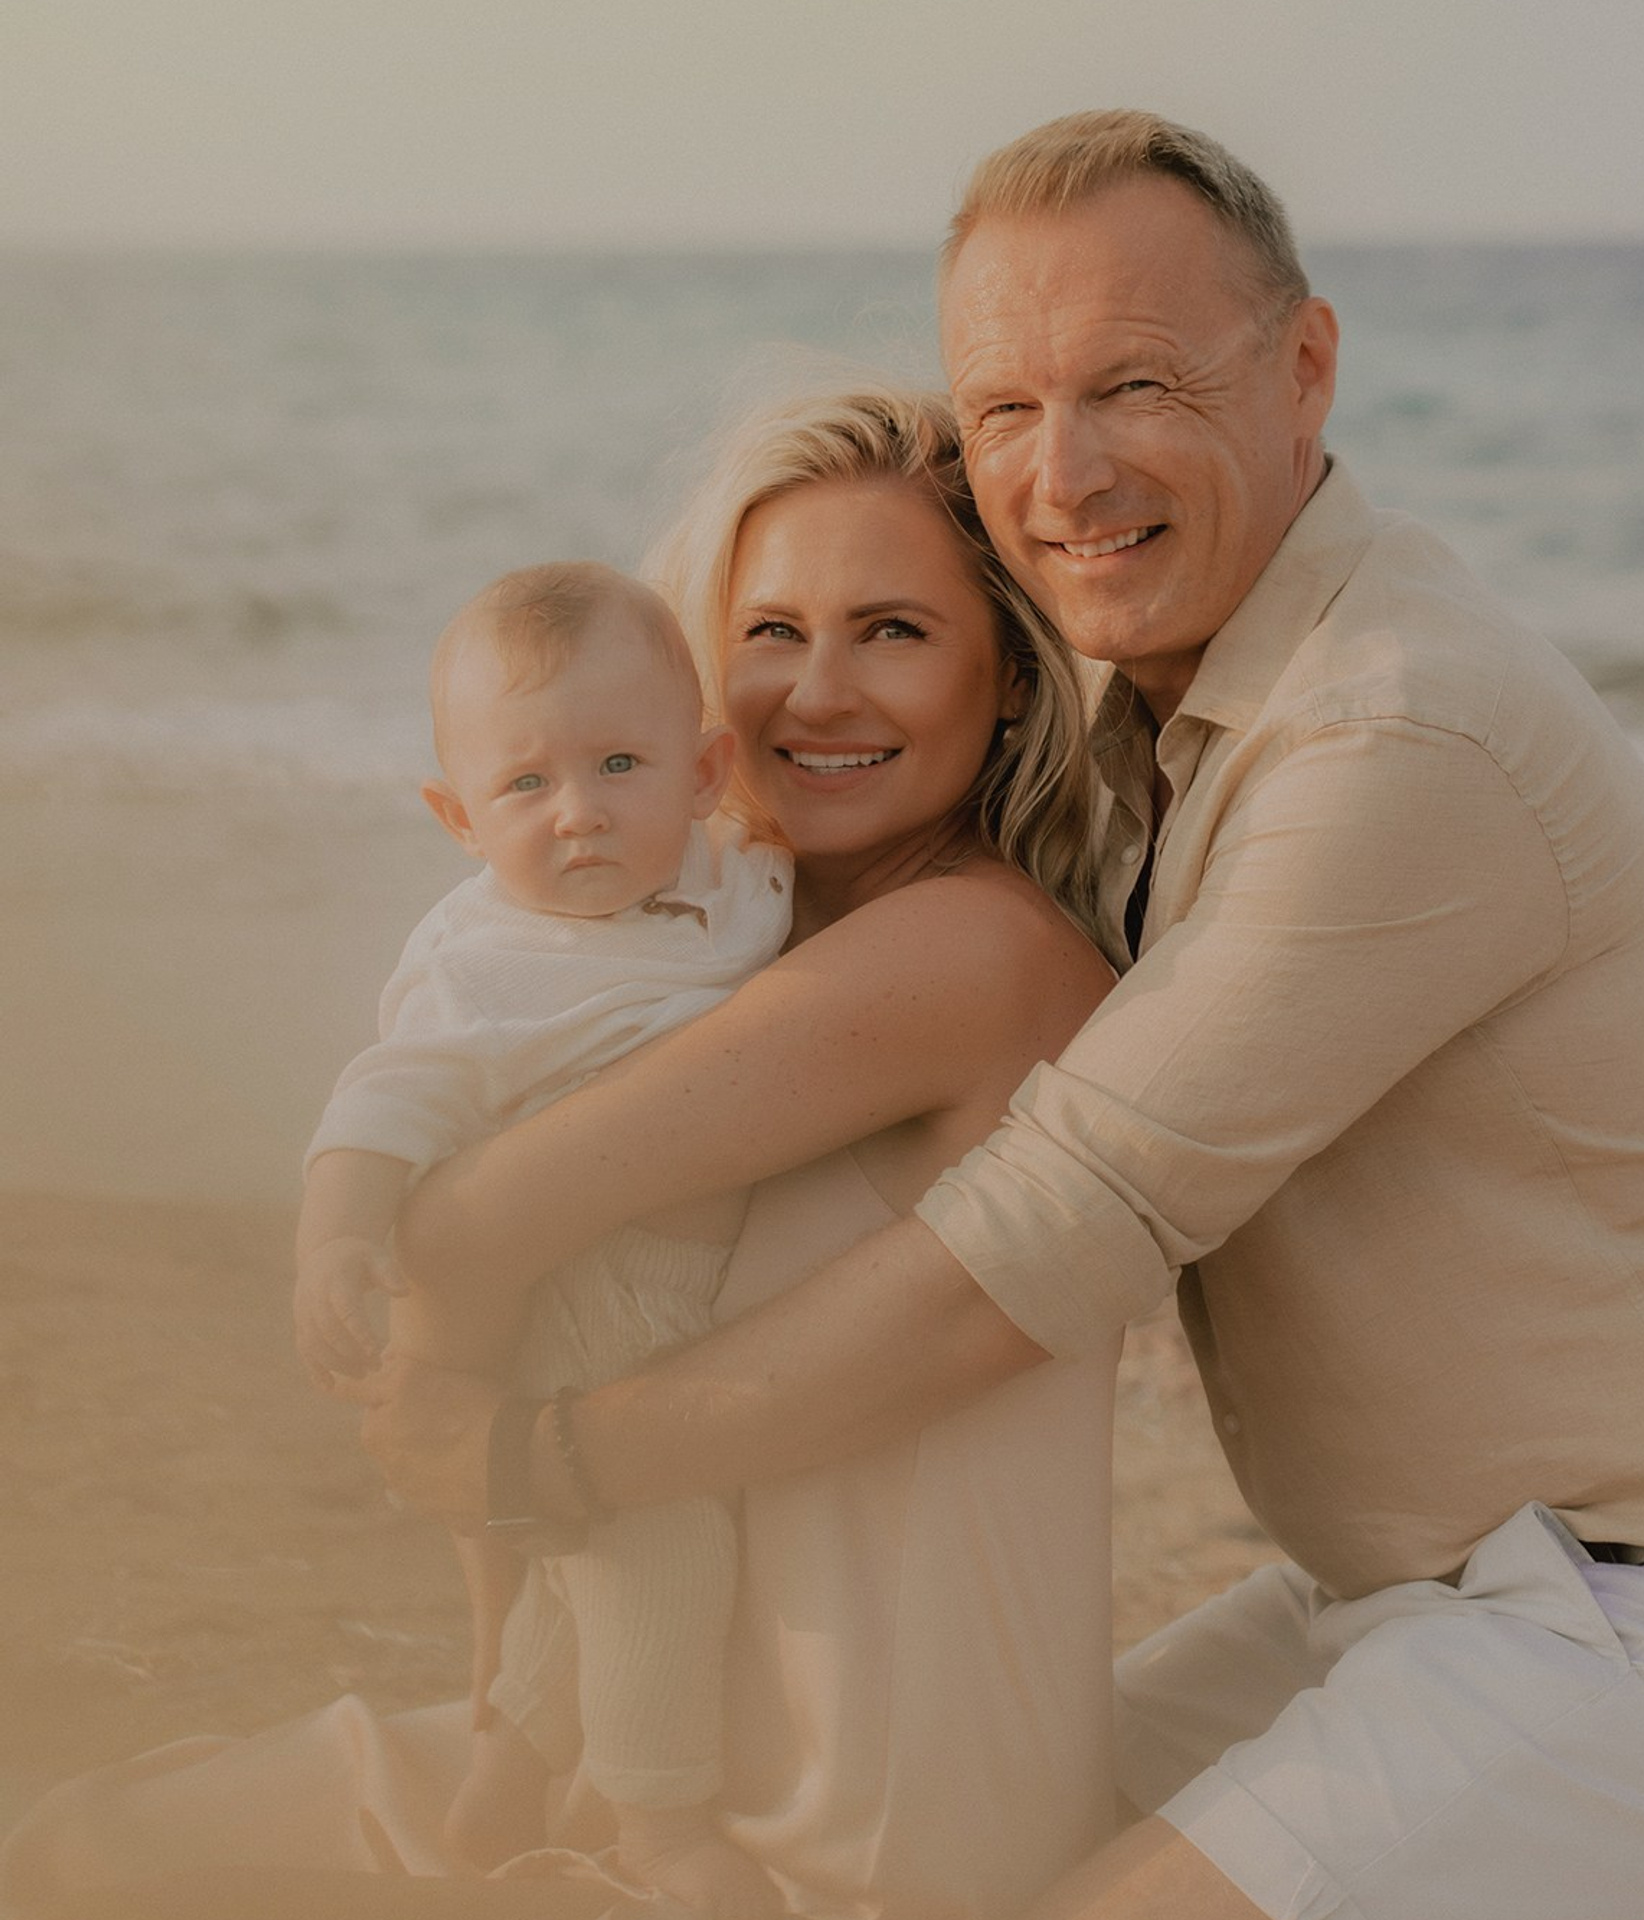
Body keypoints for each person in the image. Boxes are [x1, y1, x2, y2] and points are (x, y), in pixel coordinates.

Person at [361, 112, 1644, 1920]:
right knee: (991, 1859)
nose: (1064, 472)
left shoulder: (1400, 736)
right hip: (1397, 1599)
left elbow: (1045, 1237)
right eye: (1006, 412)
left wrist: (557, 1455)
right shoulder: (1138, 714)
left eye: (1137, 383)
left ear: (1307, 367)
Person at [0, 385, 1119, 1920]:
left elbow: (466, 1227)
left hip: (835, 1819)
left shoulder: (972, 951)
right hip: (653, 1713)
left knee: (73, 1875)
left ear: (1009, 676)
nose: (817, 693)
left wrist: (483, 1454)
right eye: (773, 632)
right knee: (85, 1835)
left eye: (896, 632)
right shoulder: (733, 927)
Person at [294, 561, 791, 1911]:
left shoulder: (740, 877)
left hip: (699, 1286)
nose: (577, 815)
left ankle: (507, 1767)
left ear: (702, 772)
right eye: (525, 787)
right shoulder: (486, 965)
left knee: (589, 1570)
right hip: (591, 1305)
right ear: (457, 815)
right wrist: (335, 1236)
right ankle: (659, 1826)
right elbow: (386, 1094)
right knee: (657, 1548)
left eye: (618, 764)